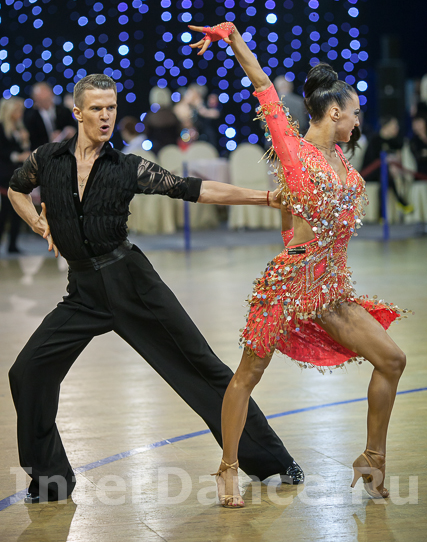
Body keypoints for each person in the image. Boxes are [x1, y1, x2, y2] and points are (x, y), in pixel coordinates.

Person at [8, 73, 303, 504]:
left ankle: (273, 459)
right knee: (27, 372)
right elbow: (16, 189)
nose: (106, 116)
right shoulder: (47, 159)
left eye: (111, 108)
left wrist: (265, 198)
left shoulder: (127, 167)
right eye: (96, 108)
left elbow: (194, 189)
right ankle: (51, 480)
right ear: (78, 112)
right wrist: (38, 222)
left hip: (133, 284)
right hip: (84, 292)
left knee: (200, 367)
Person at [190, 22, 407, 508]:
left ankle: (372, 458)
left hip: (330, 292)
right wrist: (233, 38)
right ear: (335, 111)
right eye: (355, 113)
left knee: (392, 360)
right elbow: (263, 85)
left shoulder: (341, 160)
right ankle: (227, 467)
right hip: (288, 285)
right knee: (247, 375)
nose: (358, 121)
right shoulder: (295, 151)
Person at [361, 116, 412, 215]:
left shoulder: (394, 141)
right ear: (385, 126)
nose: (396, 128)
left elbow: (398, 157)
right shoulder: (374, 140)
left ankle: (383, 213)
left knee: (385, 176)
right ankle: (400, 201)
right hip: (369, 172)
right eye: (394, 126)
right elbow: (373, 162)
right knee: (384, 174)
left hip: (385, 172)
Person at [0, 97, 31, 253]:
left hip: (18, 174)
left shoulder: (20, 128)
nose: (20, 113)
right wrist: (16, 156)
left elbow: (24, 150)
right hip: (4, 175)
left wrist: (25, 141)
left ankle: (13, 244)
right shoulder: (1, 128)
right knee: (4, 211)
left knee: (18, 210)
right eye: (17, 110)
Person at [24, 82, 76, 150]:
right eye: (42, 100)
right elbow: (33, 142)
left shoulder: (64, 111)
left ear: (51, 95)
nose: (45, 102)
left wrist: (71, 132)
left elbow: (74, 128)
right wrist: (50, 140)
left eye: (47, 99)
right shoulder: (31, 117)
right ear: (35, 100)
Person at [143, 87, 182, 154]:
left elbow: (146, 135)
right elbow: (179, 132)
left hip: (155, 152)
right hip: (172, 150)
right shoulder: (173, 115)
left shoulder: (150, 116)